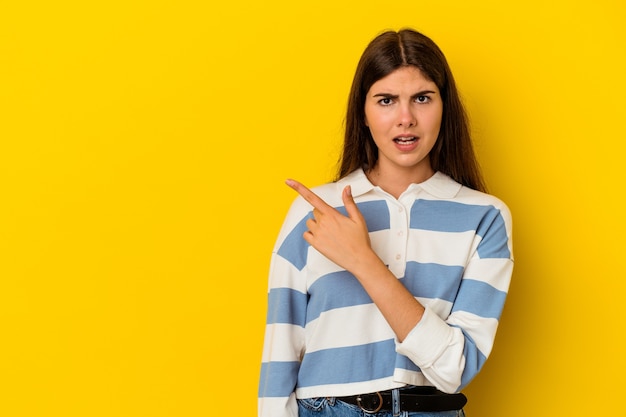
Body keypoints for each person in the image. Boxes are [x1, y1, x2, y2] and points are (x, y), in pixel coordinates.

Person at [259, 28, 513, 417]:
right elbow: (279, 354)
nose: (405, 118)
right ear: (363, 112)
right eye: (386, 100)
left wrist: (363, 261)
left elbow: (453, 369)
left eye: (422, 98)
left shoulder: (484, 217)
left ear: (445, 107)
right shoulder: (316, 211)